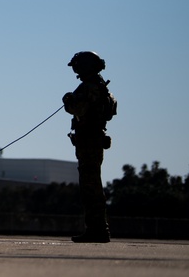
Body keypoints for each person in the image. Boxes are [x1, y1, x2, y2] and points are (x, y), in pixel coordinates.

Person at [63, 51, 117, 243]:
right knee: (92, 185)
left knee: (90, 187)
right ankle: (98, 229)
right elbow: (110, 111)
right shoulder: (102, 88)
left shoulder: (89, 87)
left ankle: (97, 230)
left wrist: (68, 101)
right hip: (93, 140)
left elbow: (78, 109)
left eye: (77, 67)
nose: (75, 70)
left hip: (89, 141)